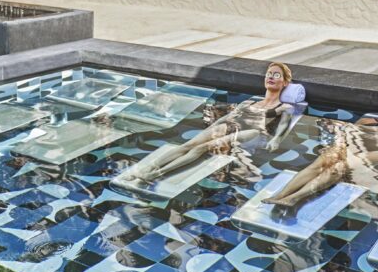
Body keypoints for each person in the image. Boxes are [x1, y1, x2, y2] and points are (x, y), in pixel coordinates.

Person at [122, 62, 298, 184]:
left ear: (285, 82)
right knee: (189, 144)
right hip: (233, 125)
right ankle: (146, 168)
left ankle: (156, 174)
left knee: (201, 148)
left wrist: (276, 140)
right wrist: (214, 126)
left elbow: (284, 126)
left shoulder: (285, 106)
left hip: (255, 132)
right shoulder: (249, 102)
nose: (271, 77)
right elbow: (228, 117)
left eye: (276, 75)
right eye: (269, 74)